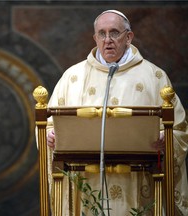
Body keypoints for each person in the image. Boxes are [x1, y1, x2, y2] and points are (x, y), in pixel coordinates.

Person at [46, 9, 188, 216]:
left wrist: (166, 138)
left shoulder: (155, 77)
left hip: (137, 184)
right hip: (87, 185)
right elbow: (50, 123)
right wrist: (50, 136)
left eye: (114, 32)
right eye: (102, 34)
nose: (108, 40)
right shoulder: (72, 77)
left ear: (129, 37)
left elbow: (179, 129)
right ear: (95, 38)